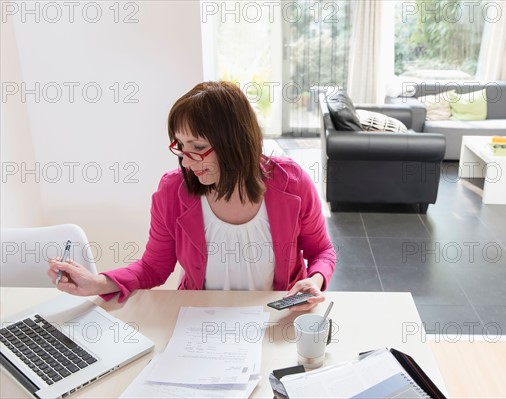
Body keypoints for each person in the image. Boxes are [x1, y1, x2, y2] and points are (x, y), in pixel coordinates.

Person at [48, 81, 336, 311]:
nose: (186, 161)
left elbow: (322, 251)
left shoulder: (291, 183)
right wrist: (97, 283)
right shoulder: (172, 192)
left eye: (198, 147)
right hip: (201, 320)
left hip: (278, 316)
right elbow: (153, 268)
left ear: (235, 142)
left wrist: (314, 279)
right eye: (181, 145)